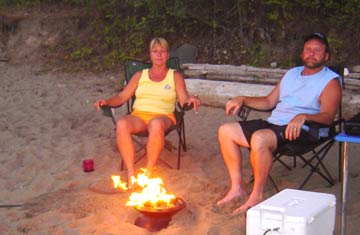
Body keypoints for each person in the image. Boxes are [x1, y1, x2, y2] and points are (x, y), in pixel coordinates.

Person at [217, 33, 342, 214]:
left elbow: (328, 117)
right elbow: (269, 102)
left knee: (259, 138)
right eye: (308, 49)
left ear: (326, 56)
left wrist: (303, 116)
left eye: (317, 50)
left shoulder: (329, 82)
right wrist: (242, 98)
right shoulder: (291, 74)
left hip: (305, 130)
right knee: (226, 131)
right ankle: (237, 188)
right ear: (302, 53)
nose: (311, 53)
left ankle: (257, 195)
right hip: (275, 124)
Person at [94, 37, 200, 185]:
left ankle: (149, 172)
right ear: (150, 55)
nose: (159, 55)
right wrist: (107, 101)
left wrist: (192, 99)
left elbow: (183, 100)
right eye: (155, 51)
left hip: (163, 116)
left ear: (168, 55)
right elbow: (122, 97)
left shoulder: (175, 76)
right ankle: (131, 173)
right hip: (139, 117)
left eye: (162, 51)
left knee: (156, 124)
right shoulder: (139, 75)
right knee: (122, 123)